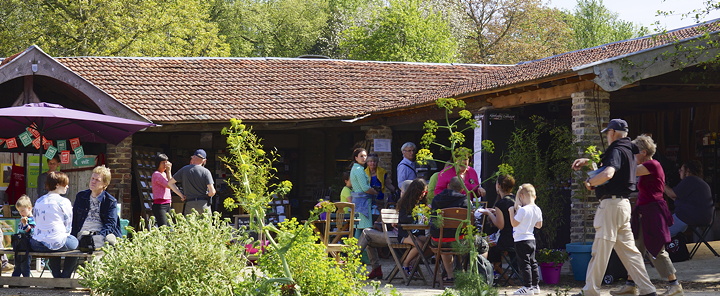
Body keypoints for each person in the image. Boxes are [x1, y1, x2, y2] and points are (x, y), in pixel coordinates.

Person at [571, 119, 656, 296]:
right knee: (630, 253)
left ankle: (590, 291)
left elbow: (609, 173)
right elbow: (611, 169)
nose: (607, 136)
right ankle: (648, 290)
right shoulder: (629, 151)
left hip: (610, 206)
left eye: (608, 133)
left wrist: (590, 182)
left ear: (612, 132)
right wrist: (590, 162)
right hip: (624, 205)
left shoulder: (616, 149)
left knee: (599, 251)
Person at [611, 135, 682, 296]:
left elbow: (628, 172)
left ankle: (675, 284)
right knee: (635, 248)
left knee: (656, 248)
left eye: (634, 151)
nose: (632, 154)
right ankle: (631, 285)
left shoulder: (652, 164)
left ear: (643, 152)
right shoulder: (647, 165)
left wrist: (612, 163)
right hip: (644, 212)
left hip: (653, 213)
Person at [29, 171, 78, 278]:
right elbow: (68, 224)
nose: (67, 187)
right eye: (65, 184)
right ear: (57, 185)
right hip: (57, 241)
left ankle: (56, 276)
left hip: (38, 244)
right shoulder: (64, 202)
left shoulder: (39, 201)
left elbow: (36, 220)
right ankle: (64, 277)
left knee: (54, 241)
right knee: (74, 242)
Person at [72, 165, 122, 251]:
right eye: (92, 179)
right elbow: (74, 219)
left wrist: (100, 236)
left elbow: (111, 224)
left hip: (102, 233)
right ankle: (70, 264)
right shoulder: (81, 196)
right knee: (81, 240)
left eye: (97, 180)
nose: (93, 182)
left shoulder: (110, 201)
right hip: (84, 232)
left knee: (111, 240)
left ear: (104, 184)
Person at [478, 174, 516, 282]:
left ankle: (486, 274)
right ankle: (498, 270)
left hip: (506, 240)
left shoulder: (501, 203)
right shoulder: (516, 200)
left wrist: (488, 213)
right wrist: (495, 212)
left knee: (481, 243)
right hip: (517, 237)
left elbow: (500, 225)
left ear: (498, 186)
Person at [430, 176, 468, 282]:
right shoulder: (464, 200)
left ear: (448, 186)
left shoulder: (437, 199)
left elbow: (433, 221)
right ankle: (462, 274)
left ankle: (450, 276)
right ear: (462, 189)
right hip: (460, 240)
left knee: (444, 242)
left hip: (439, 240)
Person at [508, 184, 543, 295]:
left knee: (524, 264)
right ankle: (535, 286)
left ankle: (527, 287)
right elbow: (539, 225)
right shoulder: (537, 209)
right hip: (531, 239)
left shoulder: (523, 210)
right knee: (533, 263)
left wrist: (511, 212)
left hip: (521, 239)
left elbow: (514, 223)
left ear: (522, 196)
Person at [664, 160, 714, 238]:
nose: (679, 172)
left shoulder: (690, 180)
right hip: (704, 218)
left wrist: (661, 183)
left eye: (681, 170)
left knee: (660, 232)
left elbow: (672, 194)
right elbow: (676, 197)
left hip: (689, 217)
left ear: (687, 171)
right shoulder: (700, 182)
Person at [395, 178, 429, 275]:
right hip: (405, 234)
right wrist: (417, 216)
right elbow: (403, 219)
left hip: (416, 233)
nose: (424, 194)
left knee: (430, 243)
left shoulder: (421, 203)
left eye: (425, 192)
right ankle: (405, 263)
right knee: (419, 245)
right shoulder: (405, 203)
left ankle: (414, 262)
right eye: (422, 192)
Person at [168, 149, 214, 215]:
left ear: (193, 157)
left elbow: (170, 183)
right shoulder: (206, 171)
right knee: (205, 224)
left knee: (190, 224)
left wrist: (181, 195)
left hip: (190, 203)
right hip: (203, 204)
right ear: (204, 160)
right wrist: (208, 195)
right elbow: (212, 191)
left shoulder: (184, 169)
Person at [349, 148, 378, 238]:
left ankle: (355, 250)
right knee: (365, 228)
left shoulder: (356, 168)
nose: (364, 158)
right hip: (362, 203)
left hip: (358, 202)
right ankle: (362, 250)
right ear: (356, 158)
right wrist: (374, 192)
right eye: (361, 156)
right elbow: (365, 188)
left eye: (365, 156)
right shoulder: (359, 170)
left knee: (359, 228)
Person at [12, 195, 35, 278]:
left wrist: (25, 224)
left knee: (25, 264)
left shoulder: (32, 220)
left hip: (27, 244)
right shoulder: (22, 218)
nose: (21, 213)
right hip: (20, 244)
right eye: (19, 211)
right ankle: (15, 279)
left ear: (29, 208)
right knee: (17, 263)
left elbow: (31, 231)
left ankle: (26, 280)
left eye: (22, 210)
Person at [152, 153, 174, 227]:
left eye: (166, 162)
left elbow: (172, 184)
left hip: (167, 204)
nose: (165, 165)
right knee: (163, 226)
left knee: (170, 226)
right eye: (163, 163)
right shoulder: (156, 174)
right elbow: (169, 185)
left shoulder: (164, 174)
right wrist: (169, 171)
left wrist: (168, 172)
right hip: (160, 205)